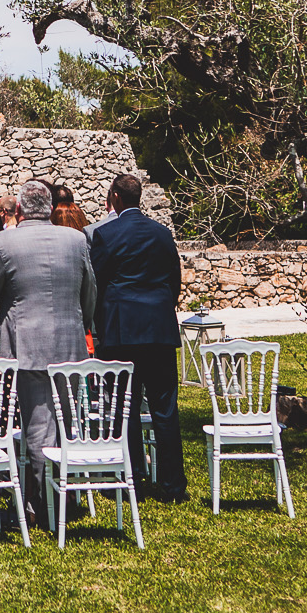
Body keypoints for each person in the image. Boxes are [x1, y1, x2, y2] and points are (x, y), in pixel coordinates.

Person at [0, 179, 97, 523]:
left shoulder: (3, 243)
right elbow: (90, 290)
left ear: (22, 209)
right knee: (66, 422)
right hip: (71, 344)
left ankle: (45, 506)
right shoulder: (76, 239)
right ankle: (65, 494)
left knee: (39, 428)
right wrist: (82, 322)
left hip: (27, 344)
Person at [87, 172, 188, 501]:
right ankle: (173, 485)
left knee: (124, 408)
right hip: (158, 329)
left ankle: (134, 480)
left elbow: (97, 284)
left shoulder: (105, 235)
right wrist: (161, 308)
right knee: (165, 409)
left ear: (114, 196)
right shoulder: (162, 234)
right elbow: (174, 279)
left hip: (122, 332)